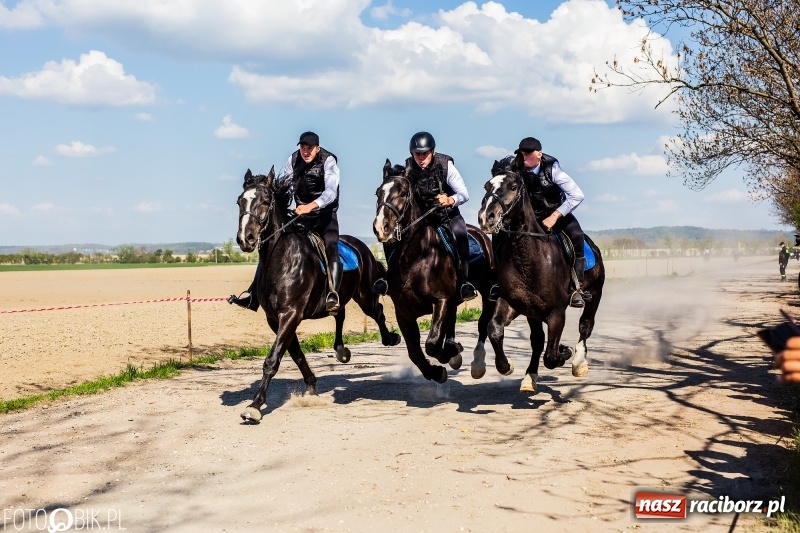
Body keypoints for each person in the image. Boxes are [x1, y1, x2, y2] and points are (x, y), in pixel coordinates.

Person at [229, 131, 343, 314]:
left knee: (331, 246)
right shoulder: (293, 159)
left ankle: (333, 295)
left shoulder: (328, 161)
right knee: (274, 246)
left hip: (325, 216)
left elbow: (331, 193)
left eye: (310, 148)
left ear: (317, 149)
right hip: (300, 216)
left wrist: (310, 206)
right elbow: (282, 182)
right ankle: (253, 295)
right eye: (303, 147)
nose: (305, 151)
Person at [372, 132, 477, 302]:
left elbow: (464, 194)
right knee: (391, 237)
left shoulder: (446, 165)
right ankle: (387, 278)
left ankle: (465, 282)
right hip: (421, 218)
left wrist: (450, 199)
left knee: (460, 234)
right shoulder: (408, 168)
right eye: (417, 154)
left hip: (446, 215)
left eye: (424, 154)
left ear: (433, 152)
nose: (421, 158)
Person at [510, 137, 587, 307]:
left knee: (577, 235)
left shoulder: (553, 169)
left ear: (539, 154)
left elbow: (577, 195)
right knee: (503, 234)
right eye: (521, 154)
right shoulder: (517, 168)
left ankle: (576, 288)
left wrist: (554, 216)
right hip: (530, 217)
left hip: (556, 214)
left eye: (528, 154)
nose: (524, 158)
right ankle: (498, 282)